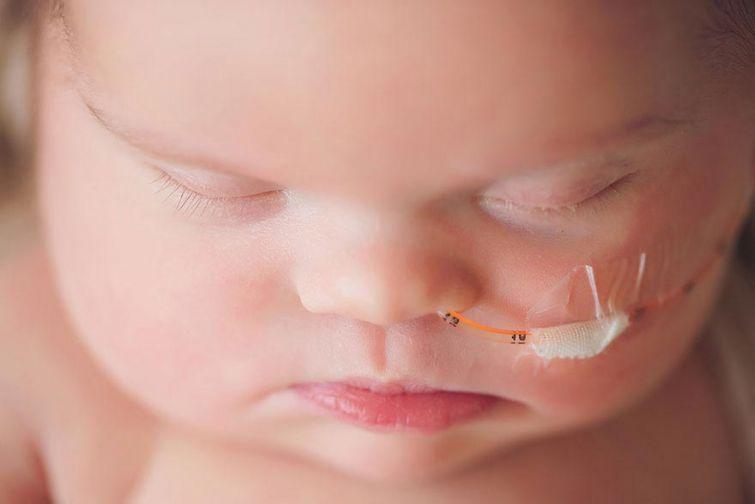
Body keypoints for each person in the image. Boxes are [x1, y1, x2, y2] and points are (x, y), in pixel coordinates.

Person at [0, 1, 753, 502]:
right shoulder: (37, 381)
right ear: (26, 93)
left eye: (556, 195)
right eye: (219, 186)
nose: (381, 295)